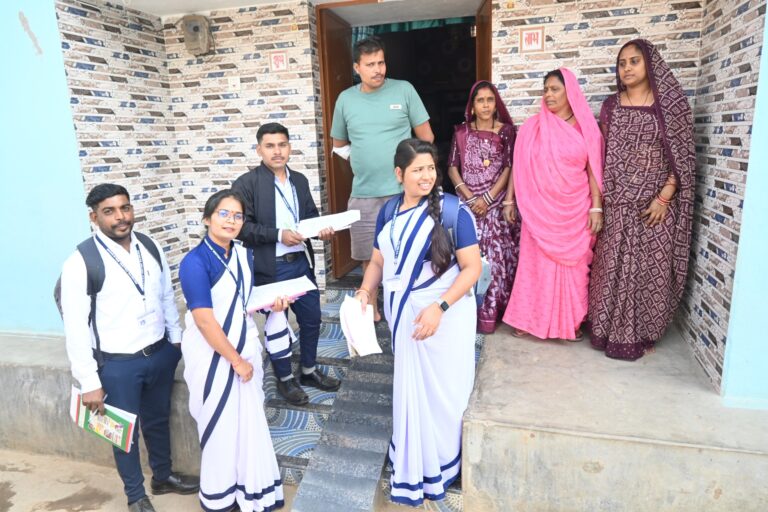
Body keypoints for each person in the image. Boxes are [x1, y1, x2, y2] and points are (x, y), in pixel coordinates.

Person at [354, 139, 482, 506]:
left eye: (430, 168)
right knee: (410, 388)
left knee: (443, 393)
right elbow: (378, 262)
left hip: (445, 318)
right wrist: (366, 291)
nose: (426, 176)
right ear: (399, 174)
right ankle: (411, 459)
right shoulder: (389, 211)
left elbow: (471, 268)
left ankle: (441, 462)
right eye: (417, 170)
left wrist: (439, 307)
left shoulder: (454, 212)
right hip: (404, 316)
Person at [60, 184, 198, 512]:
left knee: (157, 419)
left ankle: (163, 476)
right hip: (118, 365)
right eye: (109, 211)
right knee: (123, 433)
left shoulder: (148, 245)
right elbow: (75, 327)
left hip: (159, 353)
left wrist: (175, 339)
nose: (120, 217)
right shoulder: (81, 262)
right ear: (94, 217)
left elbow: (166, 294)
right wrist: (89, 381)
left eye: (125, 208)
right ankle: (135, 496)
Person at [179, 189, 288, 512]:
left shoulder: (242, 254)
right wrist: (236, 361)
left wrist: (273, 305)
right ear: (207, 219)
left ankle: (248, 491)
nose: (231, 221)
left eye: (237, 216)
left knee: (247, 426)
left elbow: (246, 301)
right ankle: (220, 497)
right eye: (223, 214)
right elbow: (204, 320)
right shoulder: (194, 262)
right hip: (213, 357)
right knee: (221, 429)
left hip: (244, 346)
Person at [588, 39, 695, 360]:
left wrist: (664, 197)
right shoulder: (611, 106)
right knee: (610, 270)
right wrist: (599, 203)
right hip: (617, 205)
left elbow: (683, 156)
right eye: (622, 63)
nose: (627, 68)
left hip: (656, 208)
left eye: (634, 61)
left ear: (651, 64)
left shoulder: (670, 106)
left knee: (650, 271)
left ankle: (645, 332)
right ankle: (606, 331)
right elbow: (601, 157)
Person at [232, 122, 340, 406]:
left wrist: (320, 229)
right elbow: (241, 228)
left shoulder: (299, 180)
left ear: (290, 147)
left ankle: (309, 370)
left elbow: (309, 216)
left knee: (312, 318)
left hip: (300, 263)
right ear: (259, 150)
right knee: (277, 322)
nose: (277, 151)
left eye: (282, 144)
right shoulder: (246, 184)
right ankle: (284, 379)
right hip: (271, 266)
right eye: (270, 146)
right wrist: (279, 235)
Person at [331, 36, 434, 321]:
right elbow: (338, 145)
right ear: (357, 68)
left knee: (408, 252)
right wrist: (362, 161)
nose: (378, 69)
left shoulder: (404, 90)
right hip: (363, 193)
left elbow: (426, 138)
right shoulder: (346, 99)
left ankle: (408, 308)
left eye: (381, 62)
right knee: (369, 256)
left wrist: (416, 174)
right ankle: (373, 309)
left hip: (403, 194)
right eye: (370, 64)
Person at [501, 68, 604, 341]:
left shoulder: (586, 128)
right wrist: (509, 199)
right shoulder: (532, 127)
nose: (548, 94)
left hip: (575, 211)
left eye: (555, 89)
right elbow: (518, 167)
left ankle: (571, 322)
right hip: (538, 212)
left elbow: (594, 170)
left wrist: (596, 207)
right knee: (535, 268)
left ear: (570, 93)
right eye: (545, 89)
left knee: (574, 269)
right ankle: (528, 319)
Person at [447, 80, 520, 334]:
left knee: (496, 261)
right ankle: (467, 312)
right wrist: (470, 198)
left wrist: (488, 199)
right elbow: (452, 168)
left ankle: (490, 313)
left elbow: (510, 167)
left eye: (490, 100)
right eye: (481, 100)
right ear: (472, 106)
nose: (486, 105)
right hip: (468, 207)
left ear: (496, 104)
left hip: (496, 206)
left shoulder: (506, 132)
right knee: (468, 260)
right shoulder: (461, 133)